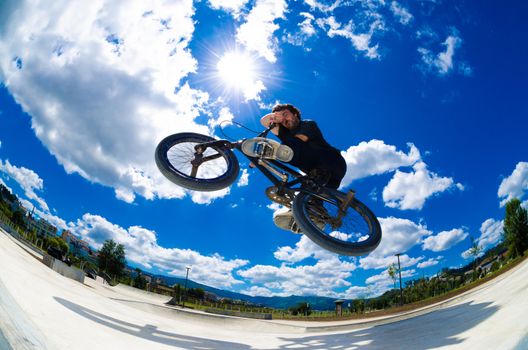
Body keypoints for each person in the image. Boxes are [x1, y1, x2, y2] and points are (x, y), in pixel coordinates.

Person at [242, 103, 347, 232]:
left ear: (295, 114)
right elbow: (264, 121)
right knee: (308, 194)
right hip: (323, 179)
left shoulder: (308, 124)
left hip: (332, 162)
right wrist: (277, 118)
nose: (285, 120)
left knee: (288, 148)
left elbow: (298, 141)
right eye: (281, 118)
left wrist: (268, 155)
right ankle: (313, 217)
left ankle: (275, 151)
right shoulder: (284, 133)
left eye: (286, 114)